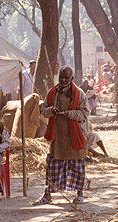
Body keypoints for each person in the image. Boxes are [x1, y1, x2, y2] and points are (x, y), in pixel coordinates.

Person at [33, 66, 89, 206]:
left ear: (72, 78)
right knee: (52, 166)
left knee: (77, 166)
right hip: (57, 137)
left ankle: (80, 194)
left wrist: (70, 114)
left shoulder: (80, 93)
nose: (63, 80)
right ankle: (47, 195)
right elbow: (44, 110)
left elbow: (84, 113)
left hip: (75, 136)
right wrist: (51, 110)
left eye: (66, 78)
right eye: (61, 77)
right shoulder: (52, 92)